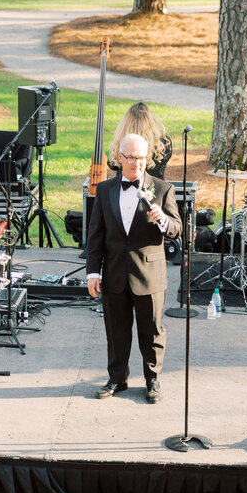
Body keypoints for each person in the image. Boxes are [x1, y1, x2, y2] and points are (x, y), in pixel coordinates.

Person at [86, 134, 182, 403]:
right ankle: (117, 378)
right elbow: (96, 236)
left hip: (149, 274)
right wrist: (93, 272)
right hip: (114, 272)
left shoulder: (162, 189)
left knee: (151, 330)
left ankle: (152, 380)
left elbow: (177, 229)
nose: (137, 164)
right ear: (120, 158)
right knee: (116, 331)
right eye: (131, 158)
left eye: (141, 158)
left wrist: (162, 219)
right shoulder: (104, 190)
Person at [108, 102, 172, 180]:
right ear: (150, 120)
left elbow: (113, 165)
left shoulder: (122, 143)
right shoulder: (163, 143)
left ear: (126, 122)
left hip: (124, 188)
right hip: (156, 188)